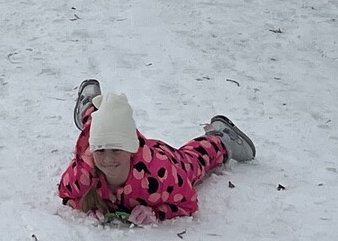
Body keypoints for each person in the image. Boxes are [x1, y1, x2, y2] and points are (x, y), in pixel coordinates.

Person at [58, 79, 255, 224]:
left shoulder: (160, 173)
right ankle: (91, 108)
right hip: (106, 136)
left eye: (116, 150)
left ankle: (221, 138)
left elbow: (189, 203)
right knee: (99, 127)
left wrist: (157, 212)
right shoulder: (84, 170)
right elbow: (66, 195)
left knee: (193, 162)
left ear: (131, 148)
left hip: (158, 157)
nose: (108, 159)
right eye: (100, 151)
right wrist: (87, 206)